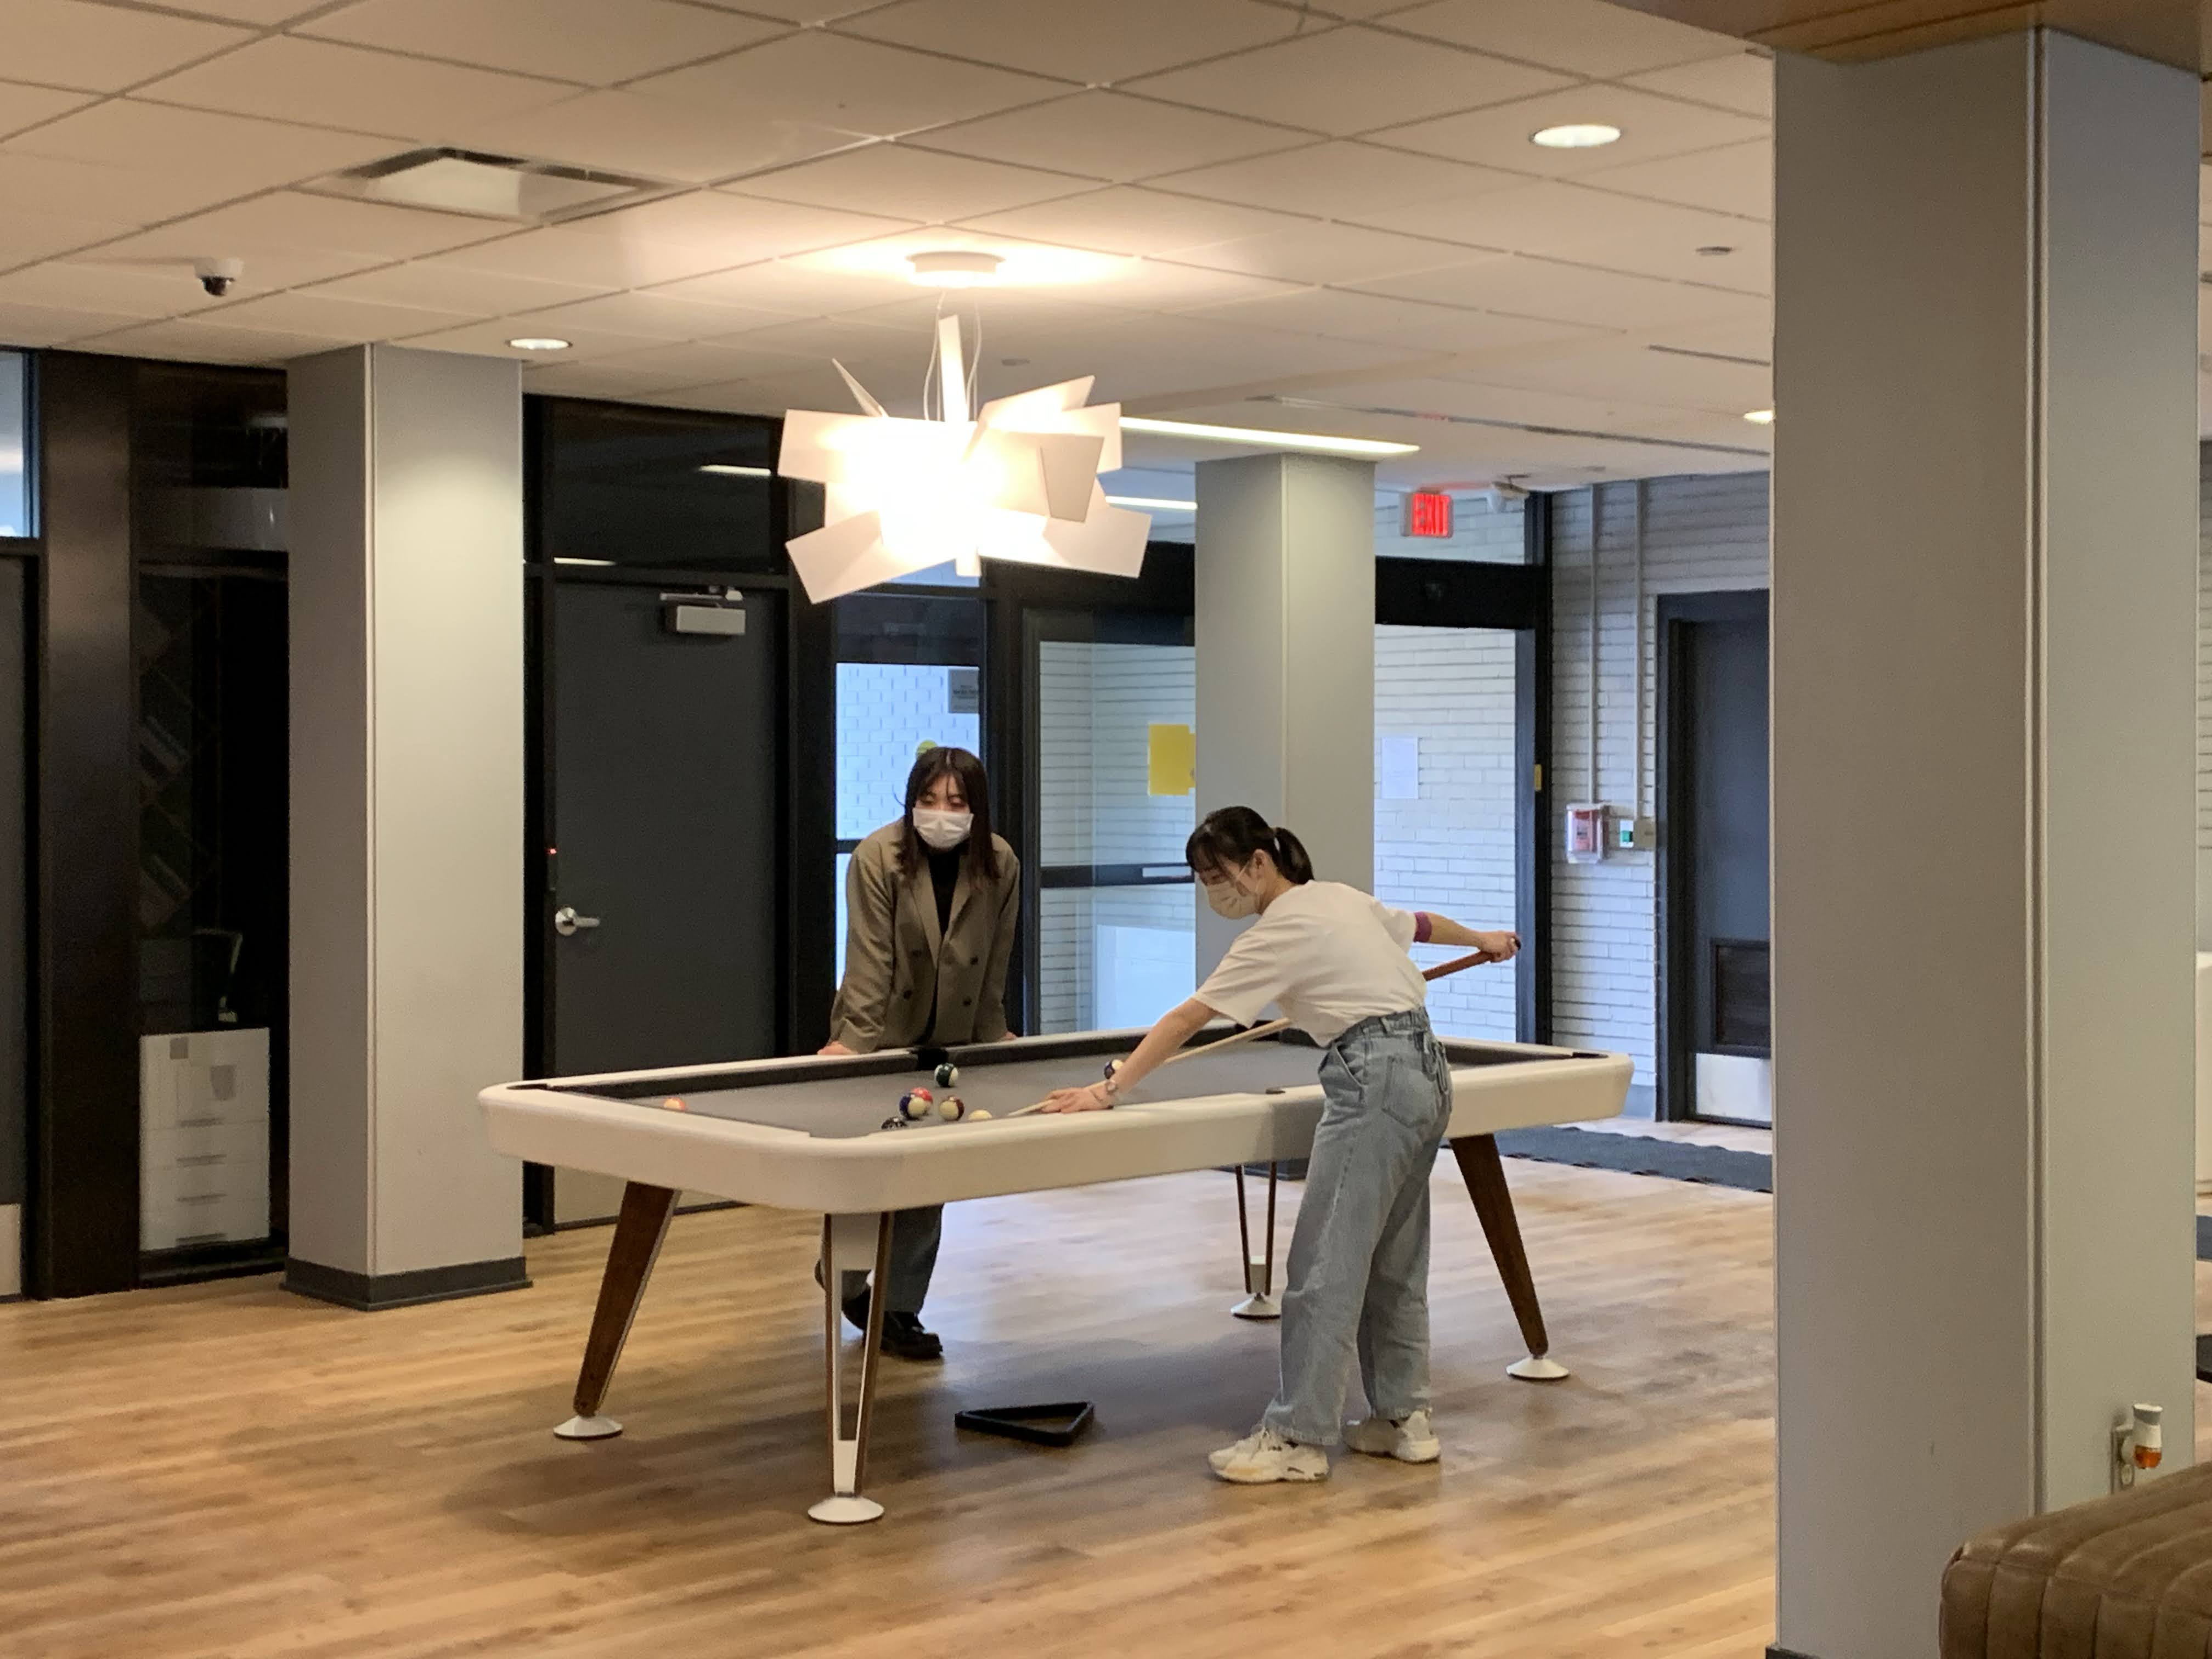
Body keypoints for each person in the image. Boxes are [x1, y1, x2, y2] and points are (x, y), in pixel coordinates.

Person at [1042, 805, 1518, 1485]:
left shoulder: (1278, 930)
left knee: (1325, 1263)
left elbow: (1187, 1017)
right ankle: (1401, 1420)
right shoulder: (1338, 898)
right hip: (1426, 1069)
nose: (1215, 891)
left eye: (1218, 875)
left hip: (1375, 1078)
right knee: (1395, 1260)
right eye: (1203, 879)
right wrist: (1486, 938)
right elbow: (1418, 926)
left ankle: (1298, 1435)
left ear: (1259, 864)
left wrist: (1109, 1086)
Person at [820, 745, 1019, 1359]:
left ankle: (900, 1306)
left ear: (976, 810)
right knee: (870, 1171)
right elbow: (871, 958)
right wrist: (852, 1043)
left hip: (953, 1034)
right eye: (929, 800)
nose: (941, 813)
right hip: (881, 1029)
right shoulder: (877, 857)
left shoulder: (999, 861)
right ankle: (846, 1280)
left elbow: (998, 957)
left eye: (956, 803)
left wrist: (996, 1033)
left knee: (927, 1177)